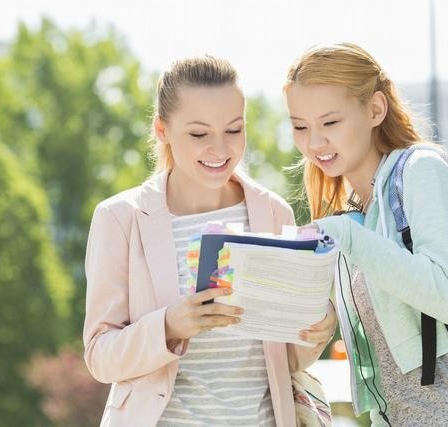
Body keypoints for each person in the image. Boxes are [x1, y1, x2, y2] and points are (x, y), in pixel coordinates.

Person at [83, 55, 337, 427]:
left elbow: (284, 359)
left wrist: (317, 330)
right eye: (199, 134)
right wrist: (170, 326)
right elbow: (99, 356)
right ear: (162, 130)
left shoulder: (273, 213)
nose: (220, 149)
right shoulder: (120, 218)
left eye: (234, 130)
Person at [284, 43, 448, 425]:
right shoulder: (357, 212)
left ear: (375, 110)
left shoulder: (422, 171)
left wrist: (346, 237)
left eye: (330, 123)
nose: (314, 143)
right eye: (300, 126)